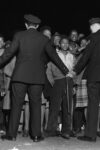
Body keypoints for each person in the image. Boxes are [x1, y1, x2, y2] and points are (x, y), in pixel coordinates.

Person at [0, 14, 69, 142]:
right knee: (36, 105)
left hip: (20, 76)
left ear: (26, 24)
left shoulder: (19, 35)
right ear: (37, 26)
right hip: (37, 78)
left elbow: (8, 54)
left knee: (16, 105)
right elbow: (54, 56)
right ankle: (36, 135)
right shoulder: (43, 39)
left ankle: (11, 135)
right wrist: (66, 70)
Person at [46, 36, 75, 139]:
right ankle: (51, 130)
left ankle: (66, 130)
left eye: (67, 43)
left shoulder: (72, 56)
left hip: (68, 82)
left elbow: (74, 70)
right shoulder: (55, 55)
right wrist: (52, 82)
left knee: (67, 107)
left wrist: (73, 84)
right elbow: (48, 69)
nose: (65, 45)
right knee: (54, 107)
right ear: (59, 44)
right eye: (63, 43)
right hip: (57, 81)